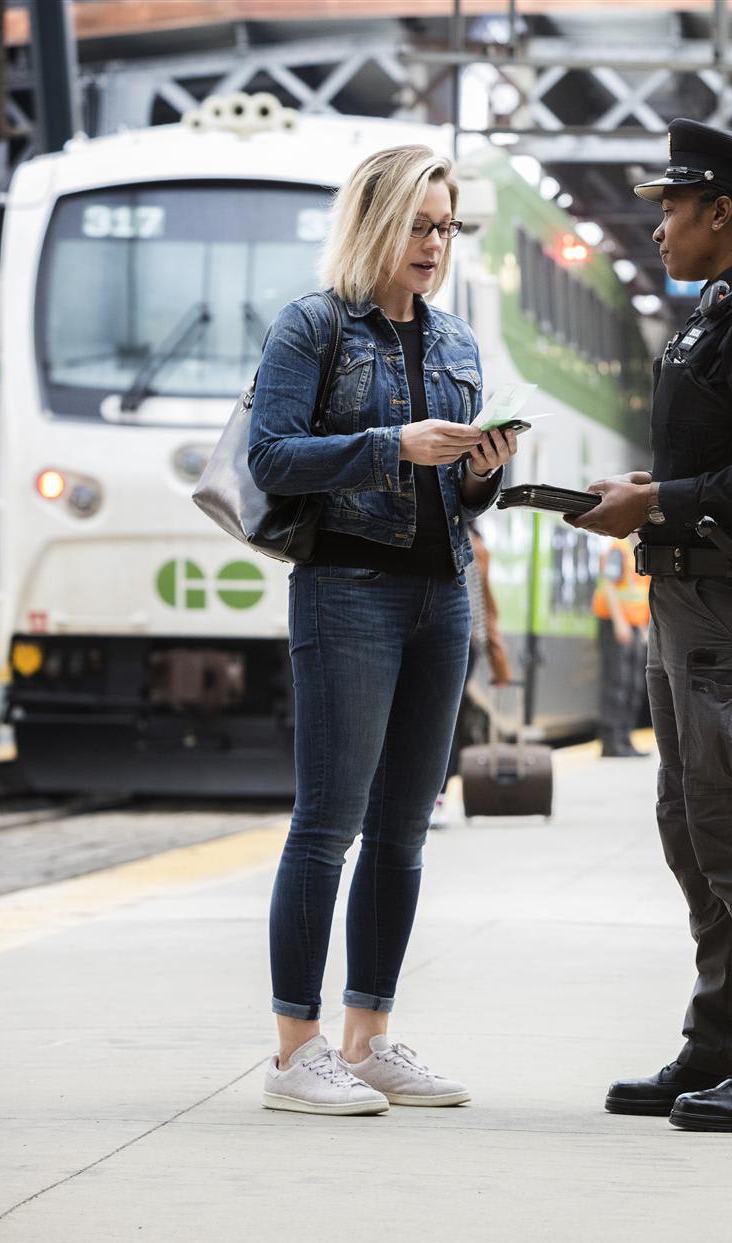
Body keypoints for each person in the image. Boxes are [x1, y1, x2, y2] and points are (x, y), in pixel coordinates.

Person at [570, 119, 732, 1132]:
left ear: (721, 212)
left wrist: (659, 501)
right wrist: (655, 492)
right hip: (691, 598)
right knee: (694, 830)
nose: (660, 231)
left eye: (673, 209)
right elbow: (720, 463)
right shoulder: (718, 313)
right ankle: (720, 1043)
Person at [247, 144, 520, 1115]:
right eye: (419, 223)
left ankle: (368, 1038)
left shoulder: (455, 345)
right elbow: (271, 457)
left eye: (445, 228)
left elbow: (459, 498)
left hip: (438, 595)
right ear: (373, 222)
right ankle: (295, 1052)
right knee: (327, 826)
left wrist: (482, 471)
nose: (435, 244)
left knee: (404, 831)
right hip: (347, 590)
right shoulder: (312, 329)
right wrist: (386, 448)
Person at [436, 522, 515, 826]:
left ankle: (438, 798)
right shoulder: (474, 538)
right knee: (444, 719)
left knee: (443, 720)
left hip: (461, 638)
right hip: (465, 639)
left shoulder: (468, 540)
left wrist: (497, 657)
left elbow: (482, 604)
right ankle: (436, 798)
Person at [593, 534, 651, 757]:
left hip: (635, 627)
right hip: (615, 624)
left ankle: (625, 739)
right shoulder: (619, 549)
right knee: (616, 683)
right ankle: (611, 741)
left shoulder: (641, 550)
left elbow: (643, 593)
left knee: (633, 685)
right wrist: (620, 622)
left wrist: (644, 627)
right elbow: (608, 585)